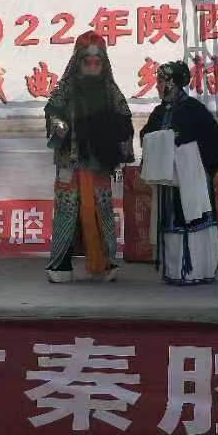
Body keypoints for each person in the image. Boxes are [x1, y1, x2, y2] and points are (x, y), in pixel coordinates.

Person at [44, 30, 134, 283]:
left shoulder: (110, 89)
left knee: (102, 210)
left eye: (98, 61)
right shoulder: (66, 87)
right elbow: (52, 111)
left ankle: (107, 261)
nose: (93, 66)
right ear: (78, 61)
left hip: (99, 163)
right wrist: (59, 125)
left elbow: (124, 116)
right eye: (88, 61)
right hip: (70, 162)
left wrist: (120, 134)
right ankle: (60, 264)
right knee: (67, 211)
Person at [140, 60, 218, 284]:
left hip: (191, 176)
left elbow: (214, 141)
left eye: (161, 81)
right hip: (169, 179)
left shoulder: (194, 109)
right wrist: (163, 142)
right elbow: (145, 136)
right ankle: (174, 270)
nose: (157, 85)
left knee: (193, 219)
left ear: (172, 83)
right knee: (172, 221)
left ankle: (198, 270)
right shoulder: (159, 112)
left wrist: (198, 163)